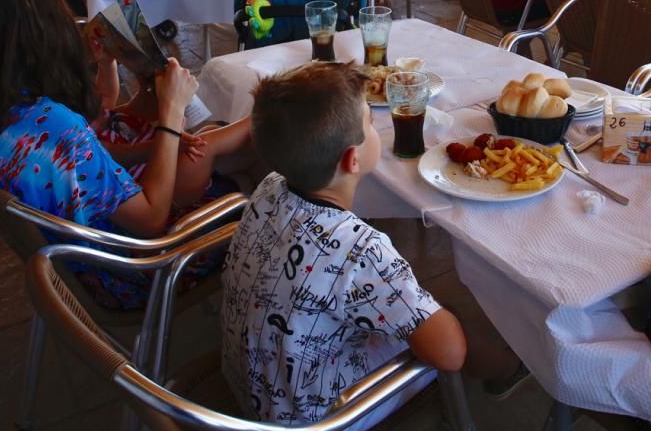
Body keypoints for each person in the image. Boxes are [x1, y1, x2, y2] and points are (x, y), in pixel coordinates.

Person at [0, 0, 249, 309]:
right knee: (247, 181)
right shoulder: (56, 128)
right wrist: (173, 110)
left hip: (70, 262)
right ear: (37, 19)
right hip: (137, 268)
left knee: (214, 143)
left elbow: (89, 153)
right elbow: (152, 221)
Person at [221, 62, 524, 425]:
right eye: (368, 123)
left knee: (409, 308)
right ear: (352, 159)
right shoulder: (361, 250)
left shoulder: (270, 185)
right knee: (449, 322)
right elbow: (450, 354)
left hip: (252, 385)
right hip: (315, 417)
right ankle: (506, 370)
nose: (374, 129)